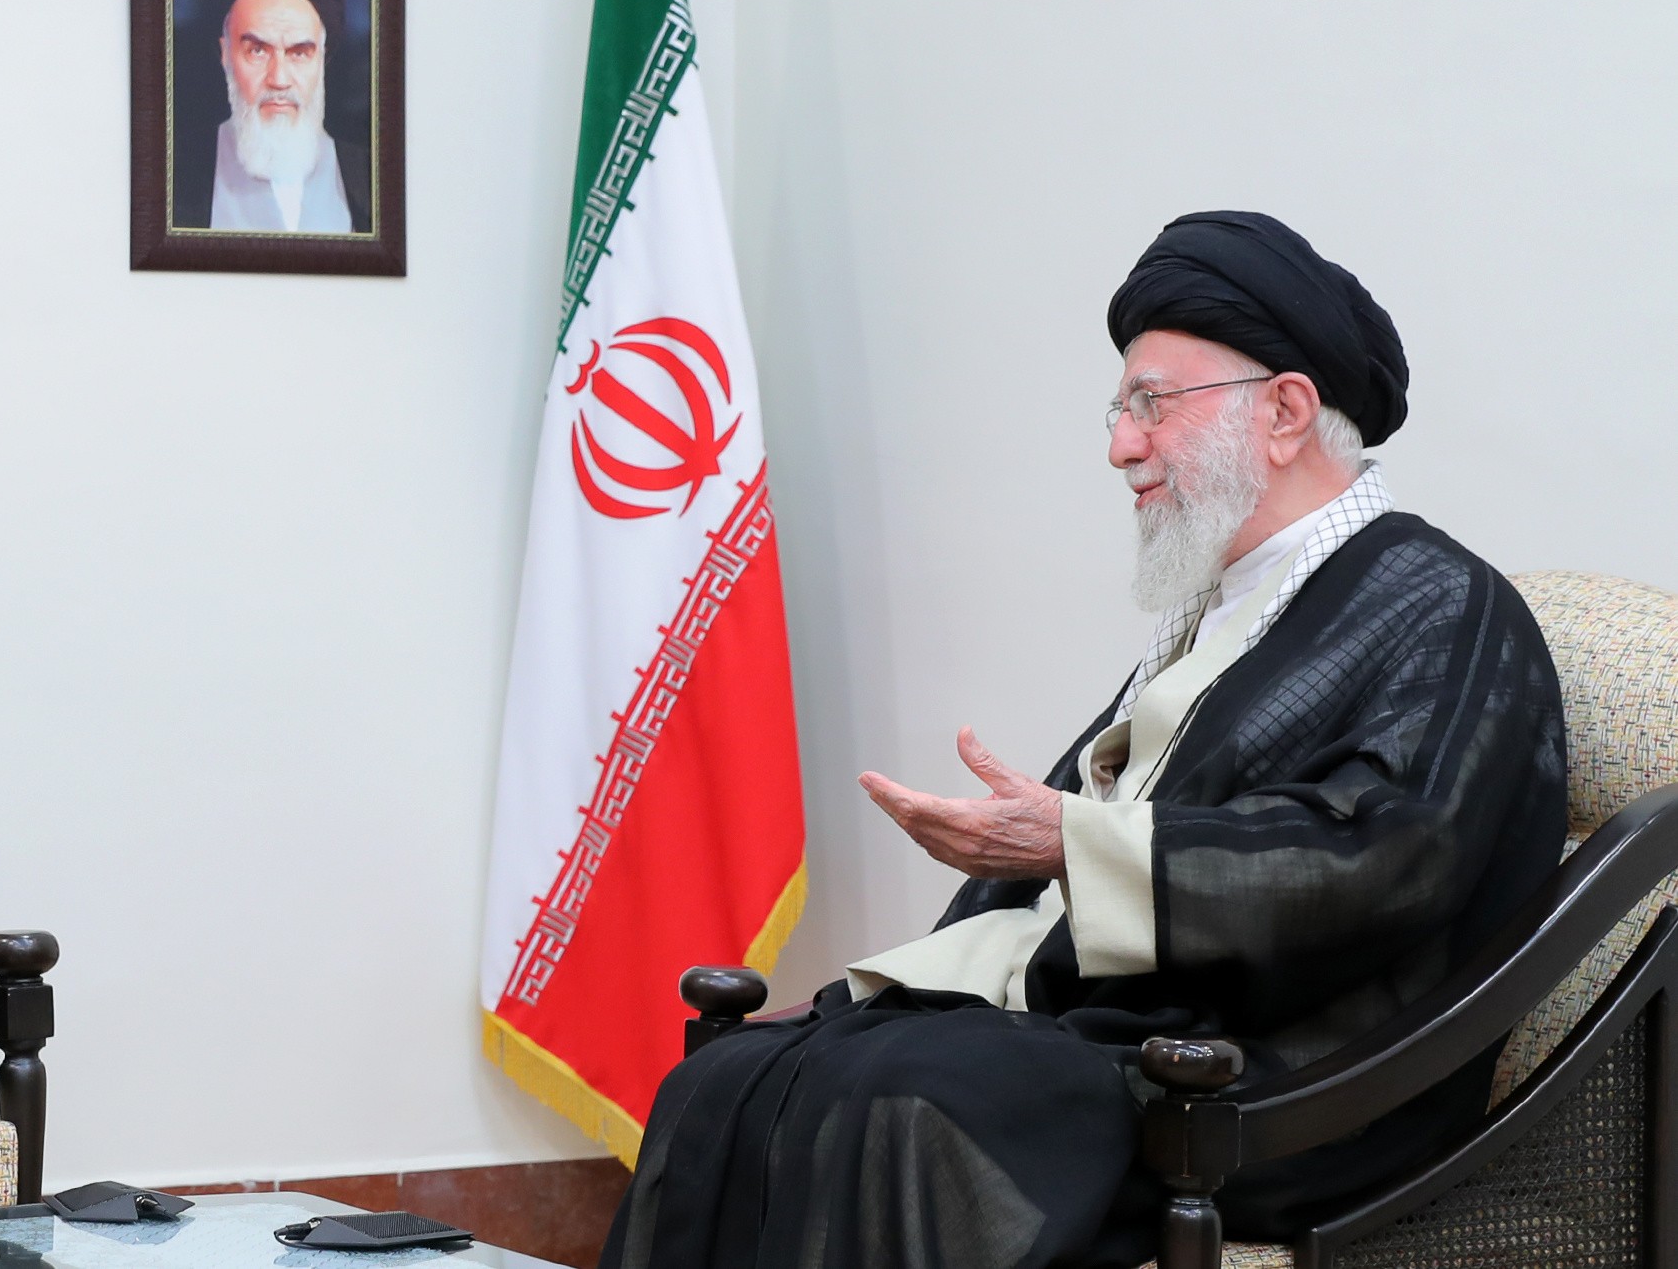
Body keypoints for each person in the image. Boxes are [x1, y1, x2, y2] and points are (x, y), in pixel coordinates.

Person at [602, 212, 1567, 1269]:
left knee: (916, 1096)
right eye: (1121, 409)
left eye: (1153, 403)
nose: (1121, 445)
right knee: (731, 1079)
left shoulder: (1443, 604)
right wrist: (880, 990)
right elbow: (1057, 885)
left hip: (1283, 1075)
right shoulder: (1229, 604)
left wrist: (1070, 841)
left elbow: (1384, 857)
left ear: (1286, 411)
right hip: (1128, 1034)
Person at [173, 0, 371, 235]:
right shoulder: (173, 172)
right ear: (225, 53)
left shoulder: (371, 177)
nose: (279, 79)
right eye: (258, 51)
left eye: (299, 53)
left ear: (322, 57)